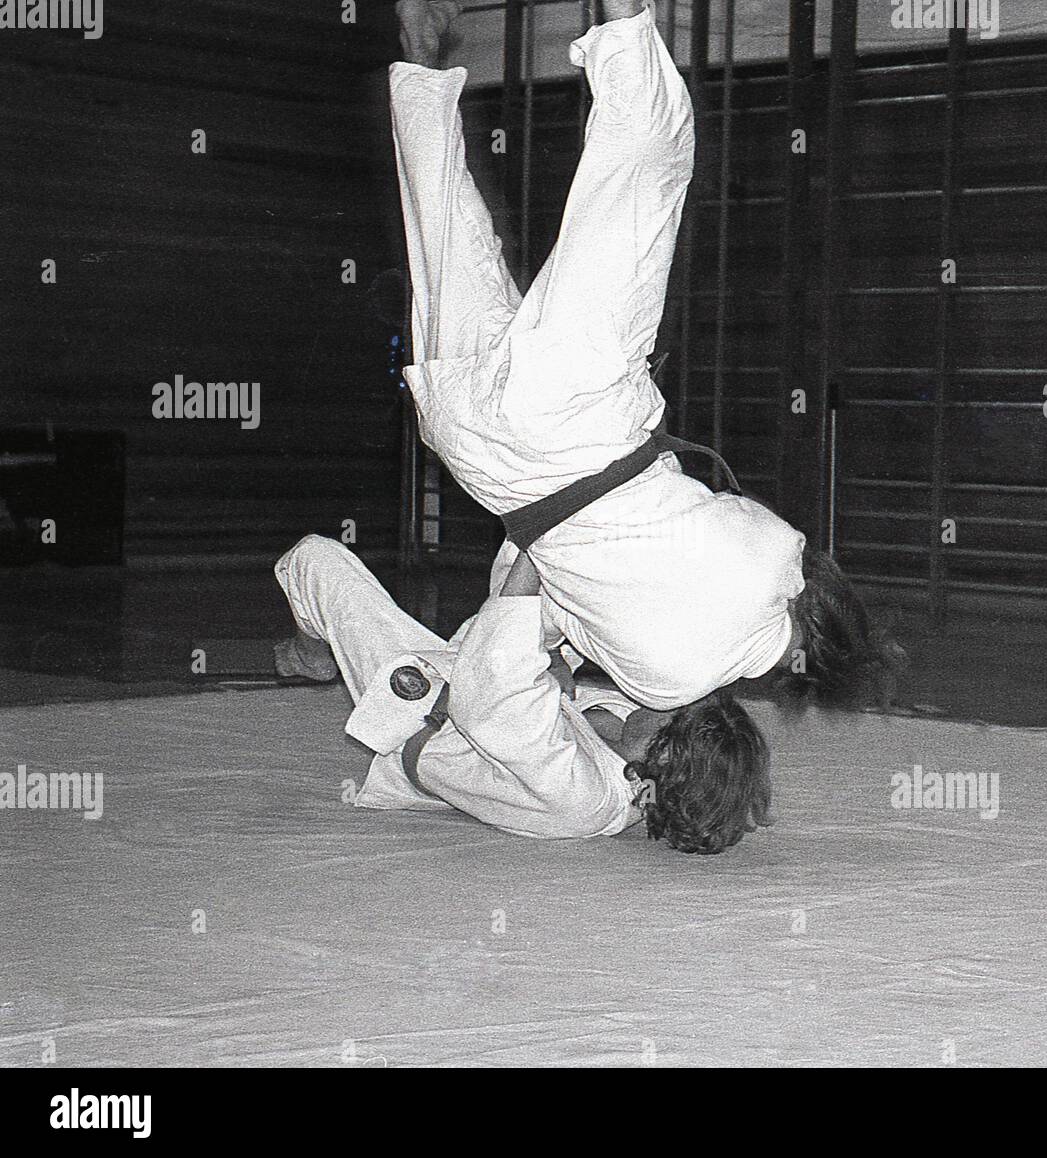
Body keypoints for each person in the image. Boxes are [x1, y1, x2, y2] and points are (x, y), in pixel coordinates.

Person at [389, 0, 903, 715]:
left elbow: (735, 523)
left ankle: (623, 16)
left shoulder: (776, 563)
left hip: (578, 418)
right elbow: (542, 601)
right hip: (476, 450)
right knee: (445, 231)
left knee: (654, 161)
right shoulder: (658, 685)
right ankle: (417, 65)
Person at [273, 534, 772, 853]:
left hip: (423, 712)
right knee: (565, 567)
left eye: (672, 712)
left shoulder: (586, 799)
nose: (663, 700)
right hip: (482, 682)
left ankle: (314, 654)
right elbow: (545, 695)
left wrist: (539, 546)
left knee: (314, 560)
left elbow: (492, 692)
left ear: (664, 754)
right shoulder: (633, 754)